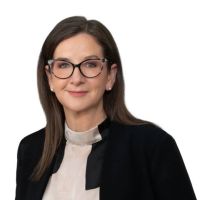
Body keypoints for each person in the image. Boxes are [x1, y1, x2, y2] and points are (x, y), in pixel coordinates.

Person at [15, 16, 197, 200]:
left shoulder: (152, 146)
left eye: (90, 64)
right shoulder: (31, 150)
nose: (76, 79)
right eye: (63, 65)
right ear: (49, 77)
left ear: (110, 75)